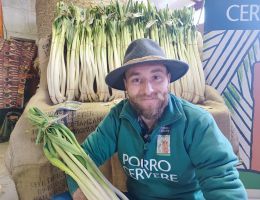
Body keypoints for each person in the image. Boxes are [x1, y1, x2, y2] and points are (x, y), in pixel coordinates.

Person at [67, 38, 247, 200]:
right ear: (125, 85)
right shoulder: (118, 118)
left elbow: (221, 178)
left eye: (156, 77)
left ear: (168, 79)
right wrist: (79, 191)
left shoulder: (196, 121)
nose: (148, 90)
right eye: (137, 80)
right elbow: (83, 157)